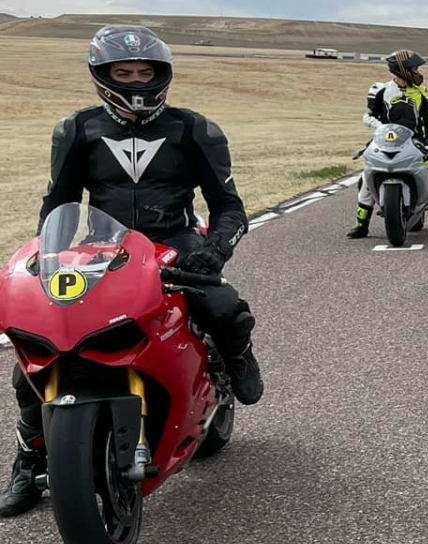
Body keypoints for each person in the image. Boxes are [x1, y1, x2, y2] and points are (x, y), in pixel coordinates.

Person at [5, 26, 265, 517]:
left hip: (178, 243)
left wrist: (213, 252)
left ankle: (237, 362)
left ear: (163, 74)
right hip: (105, 249)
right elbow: (59, 202)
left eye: (146, 72)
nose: (136, 81)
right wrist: (46, 252)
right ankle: (28, 459)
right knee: (38, 356)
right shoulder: (76, 129)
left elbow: (230, 208)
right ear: (101, 76)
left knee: (223, 307)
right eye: (123, 73)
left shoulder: (194, 129)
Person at [351, 49, 428, 239]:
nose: (418, 71)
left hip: (415, 142)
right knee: (365, 178)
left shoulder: (423, 92)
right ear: (403, 69)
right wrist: (379, 129)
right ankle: (361, 225)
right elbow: (367, 116)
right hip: (384, 141)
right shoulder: (379, 90)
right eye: (415, 68)